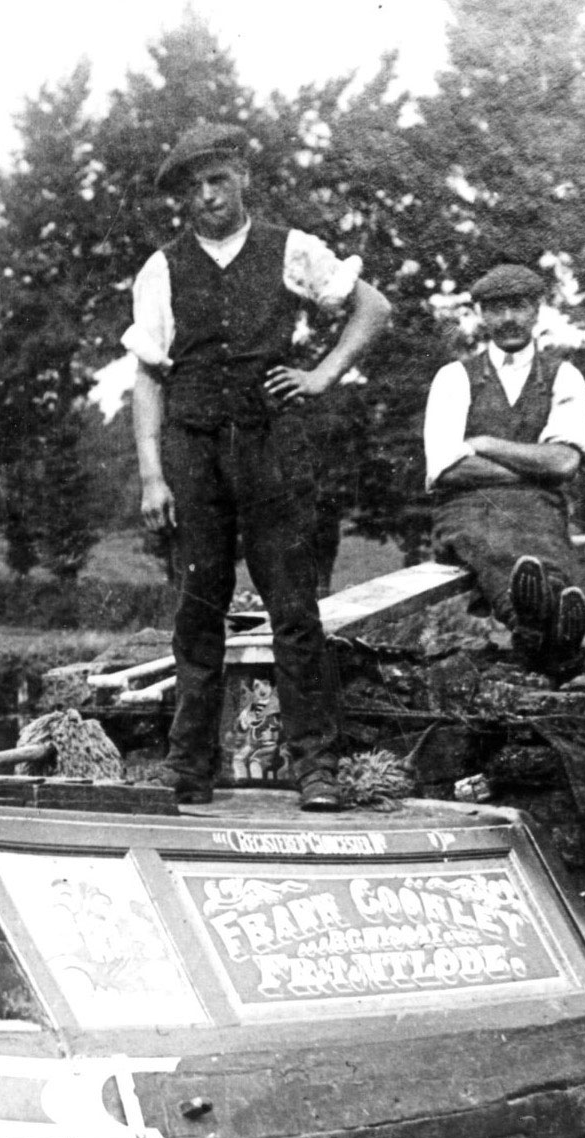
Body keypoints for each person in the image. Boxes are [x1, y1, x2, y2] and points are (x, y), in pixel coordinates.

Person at [123, 123, 392, 811]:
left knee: (292, 606)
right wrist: (153, 474)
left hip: (272, 443)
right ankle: (190, 767)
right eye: (193, 188)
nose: (207, 197)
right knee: (197, 606)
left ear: (241, 177)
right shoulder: (162, 269)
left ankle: (316, 766)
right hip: (194, 447)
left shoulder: (290, 249)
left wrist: (322, 374)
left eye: (218, 180)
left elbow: (373, 307)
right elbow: (148, 376)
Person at [422, 263, 585, 671]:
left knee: (542, 543)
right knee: (496, 541)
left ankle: (536, 629)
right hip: (467, 509)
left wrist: (484, 445)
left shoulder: (564, 377)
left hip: (539, 509)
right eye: (496, 309)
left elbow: (565, 460)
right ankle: (550, 629)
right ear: (481, 314)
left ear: (537, 310)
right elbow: (446, 470)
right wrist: (534, 467)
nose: (509, 319)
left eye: (518, 306)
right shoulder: (454, 378)